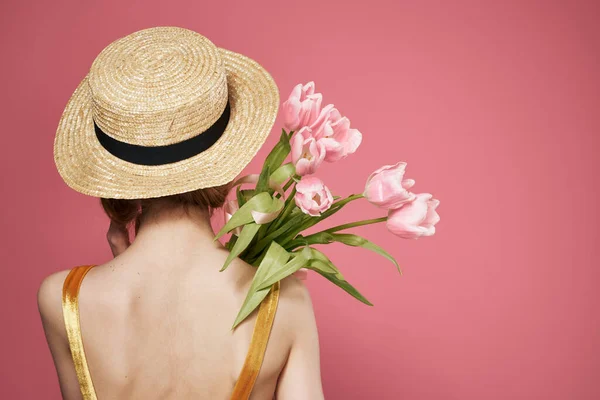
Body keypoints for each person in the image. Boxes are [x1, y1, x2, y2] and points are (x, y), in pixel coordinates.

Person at [37, 26, 325, 399]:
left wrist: (125, 268)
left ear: (115, 177)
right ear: (223, 158)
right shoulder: (284, 301)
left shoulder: (62, 298)